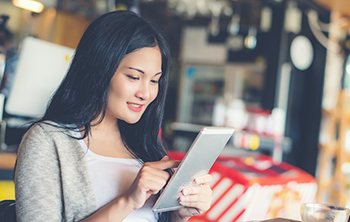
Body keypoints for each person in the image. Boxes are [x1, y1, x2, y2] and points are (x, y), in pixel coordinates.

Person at [14, 10, 213, 222]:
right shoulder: (48, 141)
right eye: (134, 77)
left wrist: (178, 216)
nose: (145, 94)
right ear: (98, 69)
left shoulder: (144, 146)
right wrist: (127, 201)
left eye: (154, 81)